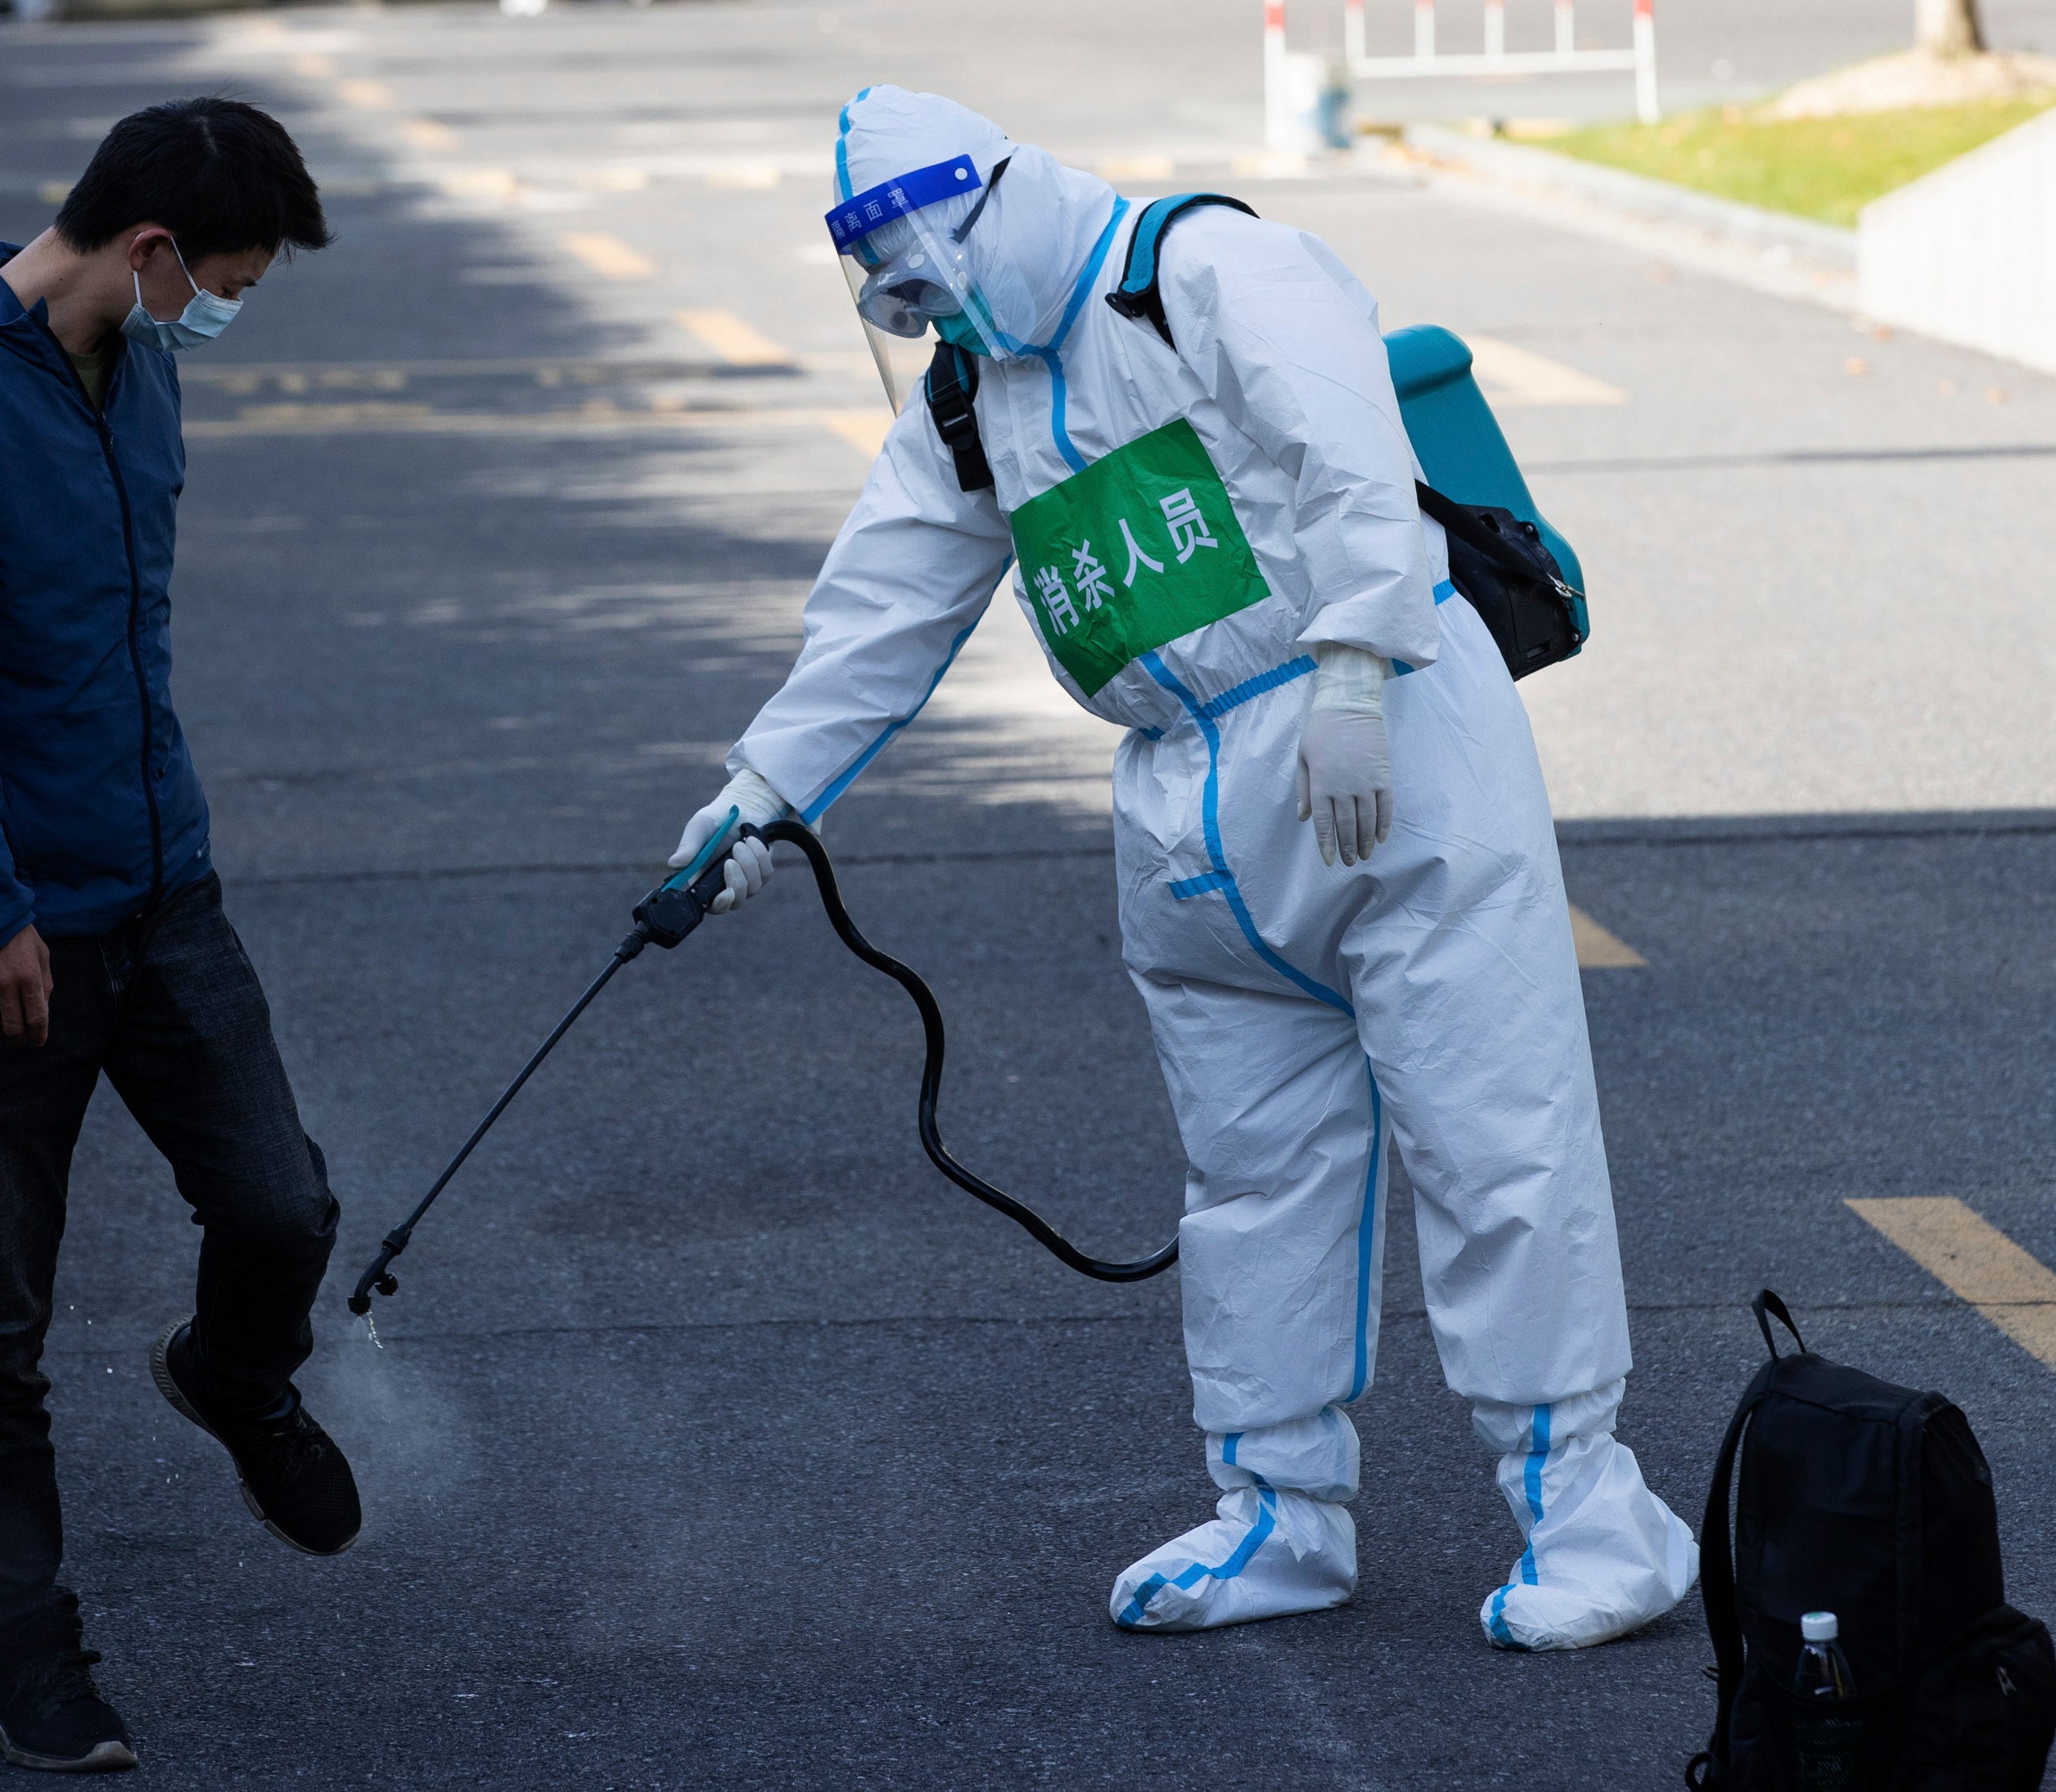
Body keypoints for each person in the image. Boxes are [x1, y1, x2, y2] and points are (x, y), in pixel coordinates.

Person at [677, 86, 1695, 1653]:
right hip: (1185, 794)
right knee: (1252, 1176)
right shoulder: (975, 394)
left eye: (935, 271)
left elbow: (1349, 451)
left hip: (1385, 745)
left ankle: (1591, 1514)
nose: (931, 312)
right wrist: (760, 793)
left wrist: (1357, 665)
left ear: (996, 199)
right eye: (901, 295)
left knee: (1495, 1136)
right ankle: (1279, 1511)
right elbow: (885, 601)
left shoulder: (1206, 271)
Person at [0, 97, 349, 1772]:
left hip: (160, 890)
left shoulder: (146, 364)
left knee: (283, 1203)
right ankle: (32, 1661)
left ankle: (233, 1376)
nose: (221, 313)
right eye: (221, 283)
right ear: (146, 249)